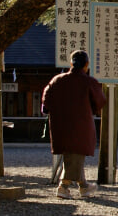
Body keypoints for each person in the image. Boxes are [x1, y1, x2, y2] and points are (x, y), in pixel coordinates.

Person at [42, 50, 106, 198]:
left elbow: (46, 101)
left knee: (72, 156)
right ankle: (63, 187)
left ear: (71, 63)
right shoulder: (89, 82)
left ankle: (84, 187)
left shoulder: (57, 80)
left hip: (60, 125)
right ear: (87, 65)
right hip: (81, 125)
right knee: (76, 153)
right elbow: (100, 101)